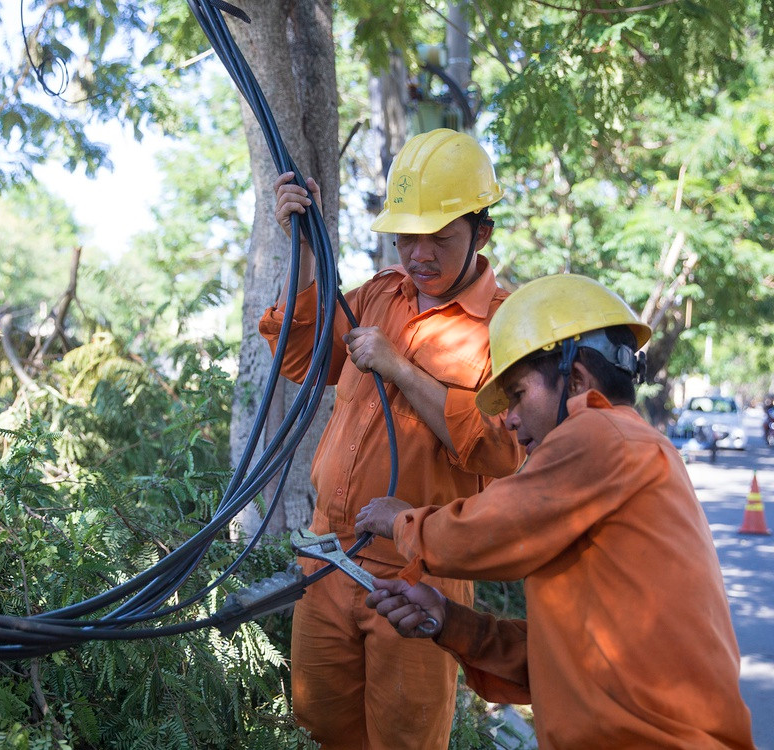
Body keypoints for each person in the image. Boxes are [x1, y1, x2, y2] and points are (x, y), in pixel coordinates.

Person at [355, 274, 756, 750]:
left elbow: (481, 533)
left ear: (578, 379)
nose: (508, 419)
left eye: (518, 395)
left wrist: (403, 521)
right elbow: (557, 660)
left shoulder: (601, 434)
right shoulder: (621, 459)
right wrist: (449, 620)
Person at [258, 129, 524, 749]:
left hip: (418, 576)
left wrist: (400, 368)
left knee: (404, 742)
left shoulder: (505, 328)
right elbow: (298, 356)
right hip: (326, 559)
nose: (419, 252)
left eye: (439, 237)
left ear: (480, 235)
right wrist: (299, 244)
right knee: (319, 732)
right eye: (407, 234)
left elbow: (498, 450)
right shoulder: (379, 295)